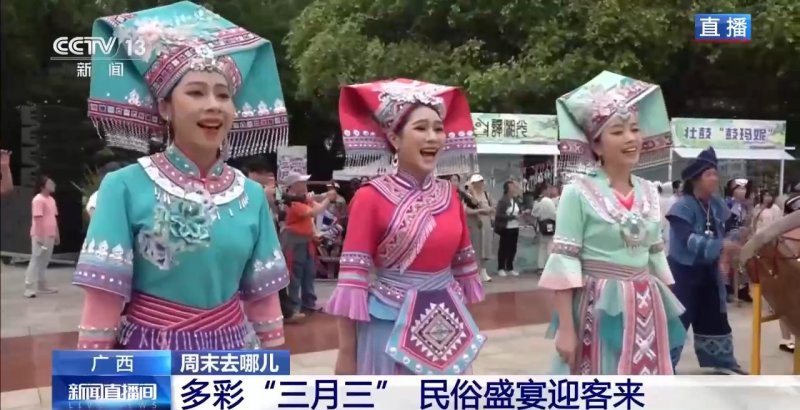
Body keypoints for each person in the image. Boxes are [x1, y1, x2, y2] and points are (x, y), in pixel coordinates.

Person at [72, 1, 290, 350]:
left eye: (223, 95)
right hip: (150, 357)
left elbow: (263, 302)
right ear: (165, 107)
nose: (213, 105)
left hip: (234, 358)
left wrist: (273, 373)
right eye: (196, 92)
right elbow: (102, 304)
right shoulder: (123, 187)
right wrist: (93, 375)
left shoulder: (250, 195)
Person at [327, 78, 484, 375]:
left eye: (438, 129)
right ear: (394, 139)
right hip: (388, 323)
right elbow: (352, 282)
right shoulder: (370, 197)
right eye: (421, 128)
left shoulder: (450, 195)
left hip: (447, 325)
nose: (433, 137)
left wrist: (466, 331)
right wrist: (347, 354)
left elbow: (464, 269)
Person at [541, 71, 684, 375]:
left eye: (635, 129)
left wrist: (668, 305)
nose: (631, 138)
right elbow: (565, 262)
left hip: (645, 303)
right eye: (618, 131)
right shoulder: (577, 192)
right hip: (596, 307)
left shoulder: (649, 191)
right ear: (596, 146)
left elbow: (655, 255)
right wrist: (566, 328)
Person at [666, 147, 747, 374]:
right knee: (678, 318)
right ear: (696, 179)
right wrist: (721, 245)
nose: (714, 178)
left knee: (715, 314)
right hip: (682, 273)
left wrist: (734, 240)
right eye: (709, 174)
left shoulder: (717, 204)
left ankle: (723, 362)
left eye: (715, 174)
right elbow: (688, 240)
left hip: (709, 271)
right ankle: (665, 364)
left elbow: (733, 227)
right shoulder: (682, 206)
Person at [282, 171, 335, 319]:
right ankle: (293, 308)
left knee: (309, 272)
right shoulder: (291, 202)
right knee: (295, 274)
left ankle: (309, 304)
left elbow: (315, 200)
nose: (305, 185)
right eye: (301, 182)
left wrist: (325, 196)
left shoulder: (302, 198)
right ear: (294, 185)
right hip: (294, 241)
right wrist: (328, 199)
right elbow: (313, 212)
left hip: (307, 241)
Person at [751, 190, 794, 352]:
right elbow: (754, 224)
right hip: (769, 248)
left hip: (779, 250)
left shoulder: (777, 212)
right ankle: (786, 338)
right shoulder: (759, 209)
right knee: (785, 302)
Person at [24, 175, 60, 298]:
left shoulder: (51, 200)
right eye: (50, 183)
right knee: (36, 260)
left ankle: (42, 285)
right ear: (42, 186)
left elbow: (53, 218)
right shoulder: (38, 200)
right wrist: (39, 237)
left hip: (50, 235)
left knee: (45, 261)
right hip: (40, 235)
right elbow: (37, 218)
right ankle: (28, 287)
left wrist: (56, 234)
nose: (53, 185)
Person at [722, 178, 752, 302]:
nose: (742, 191)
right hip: (729, 237)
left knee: (743, 262)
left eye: (744, 188)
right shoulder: (727, 204)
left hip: (743, 237)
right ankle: (727, 290)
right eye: (739, 188)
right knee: (727, 263)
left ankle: (743, 289)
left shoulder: (745, 205)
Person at [465, 174, 495, 281]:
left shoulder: (486, 194)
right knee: (475, 247)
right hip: (474, 224)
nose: (481, 184)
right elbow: (466, 210)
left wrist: (490, 211)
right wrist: (480, 211)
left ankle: (483, 271)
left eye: (481, 182)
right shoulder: (468, 196)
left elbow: (493, 207)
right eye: (478, 182)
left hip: (485, 224)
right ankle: (474, 271)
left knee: (485, 247)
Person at [495, 179, 523, 276]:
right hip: (506, 228)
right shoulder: (503, 201)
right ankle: (501, 268)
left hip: (515, 227)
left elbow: (518, 210)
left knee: (512, 248)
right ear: (507, 189)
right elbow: (498, 215)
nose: (514, 188)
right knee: (503, 248)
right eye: (512, 186)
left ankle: (510, 267)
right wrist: (512, 217)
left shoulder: (515, 200)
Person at [532, 182, 557, 273]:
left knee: (542, 247)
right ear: (545, 190)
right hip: (549, 224)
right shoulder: (548, 201)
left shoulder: (537, 200)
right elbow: (554, 214)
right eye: (549, 188)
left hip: (540, 225)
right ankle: (549, 266)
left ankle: (541, 266)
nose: (550, 190)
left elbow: (534, 213)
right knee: (550, 245)